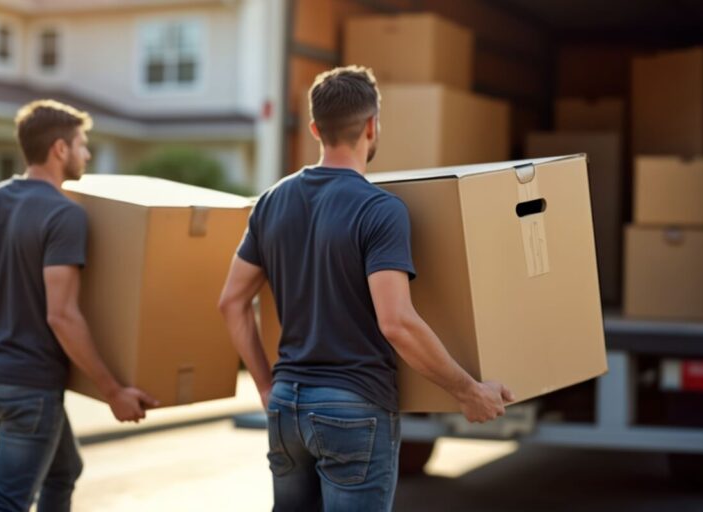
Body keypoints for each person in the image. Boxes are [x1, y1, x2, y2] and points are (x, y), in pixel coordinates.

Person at [218, 66, 514, 511]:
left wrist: (266, 385)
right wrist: (468, 390)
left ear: (316, 128)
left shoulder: (271, 201)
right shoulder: (380, 210)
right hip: (352, 407)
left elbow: (232, 303)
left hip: (286, 404)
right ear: (372, 126)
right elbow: (396, 322)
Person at [0, 99, 158, 512]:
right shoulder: (64, 215)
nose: (86, 154)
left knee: (62, 471)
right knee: (8, 503)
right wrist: (113, 391)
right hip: (28, 389)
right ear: (60, 149)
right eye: (82, 144)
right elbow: (62, 314)